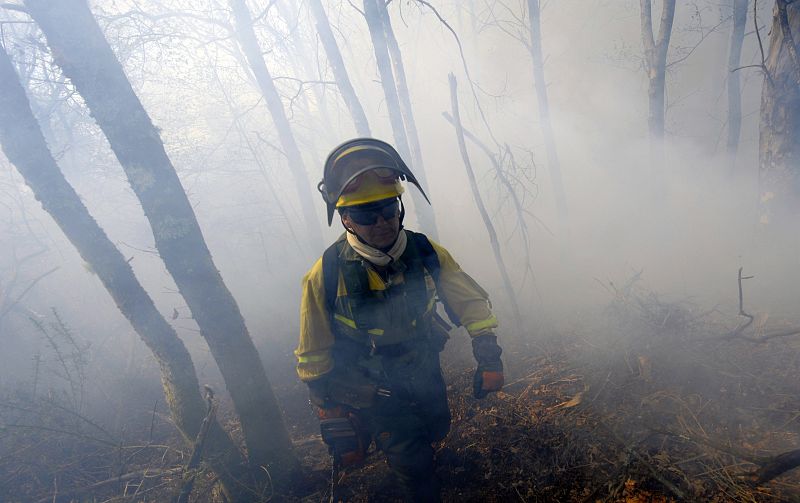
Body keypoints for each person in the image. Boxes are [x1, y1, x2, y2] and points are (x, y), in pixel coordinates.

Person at [296, 138, 504, 502]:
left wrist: (489, 355)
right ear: (345, 218)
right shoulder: (326, 273)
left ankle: (425, 458)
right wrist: (327, 407)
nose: (381, 222)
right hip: (372, 382)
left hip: (423, 362)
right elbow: (313, 349)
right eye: (365, 214)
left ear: (399, 208)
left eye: (388, 208)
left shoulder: (426, 252)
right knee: (411, 461)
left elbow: (470, 303)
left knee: (437, 426)